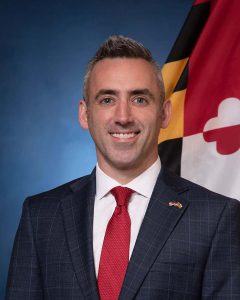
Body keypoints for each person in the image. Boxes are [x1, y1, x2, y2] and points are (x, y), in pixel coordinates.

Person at [6, 35, 240, 300]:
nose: (123, 117)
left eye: (139, 99)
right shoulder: (40, 216)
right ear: (84, 114)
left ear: (164, 113)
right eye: (107, 99)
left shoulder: (216, 217)